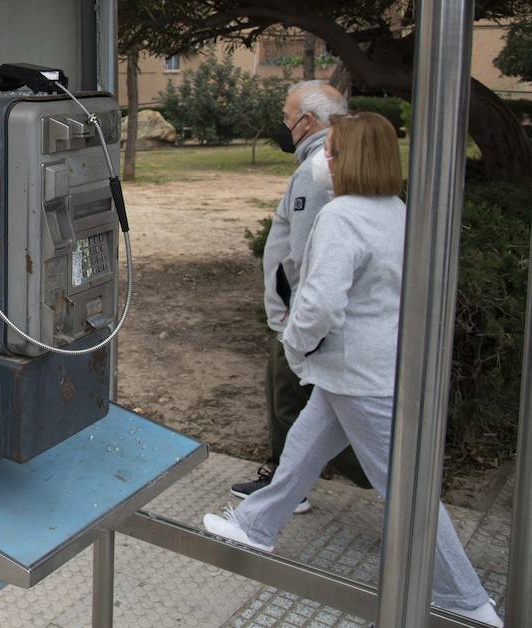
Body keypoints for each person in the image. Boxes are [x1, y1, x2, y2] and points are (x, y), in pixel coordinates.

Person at [204, 112, 502, 626]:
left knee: (403, 490)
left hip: (358, 374)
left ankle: (464, 598)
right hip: (371, 369)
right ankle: (255, 525)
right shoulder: (396, 210)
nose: (327, 161)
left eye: (334, 152)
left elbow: (318, 304)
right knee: (303, 445)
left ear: (354, 159)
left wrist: (294, 348)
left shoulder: (343, 217)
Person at [232, 80, 369, 511]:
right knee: (316, 408)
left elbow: (305, 254)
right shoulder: (340, 160)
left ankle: (289, 484)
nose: (285, 125)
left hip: (301, 317)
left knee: (288, 398)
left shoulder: (317, 171)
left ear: (307, 121)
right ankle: (296, 481)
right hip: (311, 315)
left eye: (287, 117)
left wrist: (295, 321)